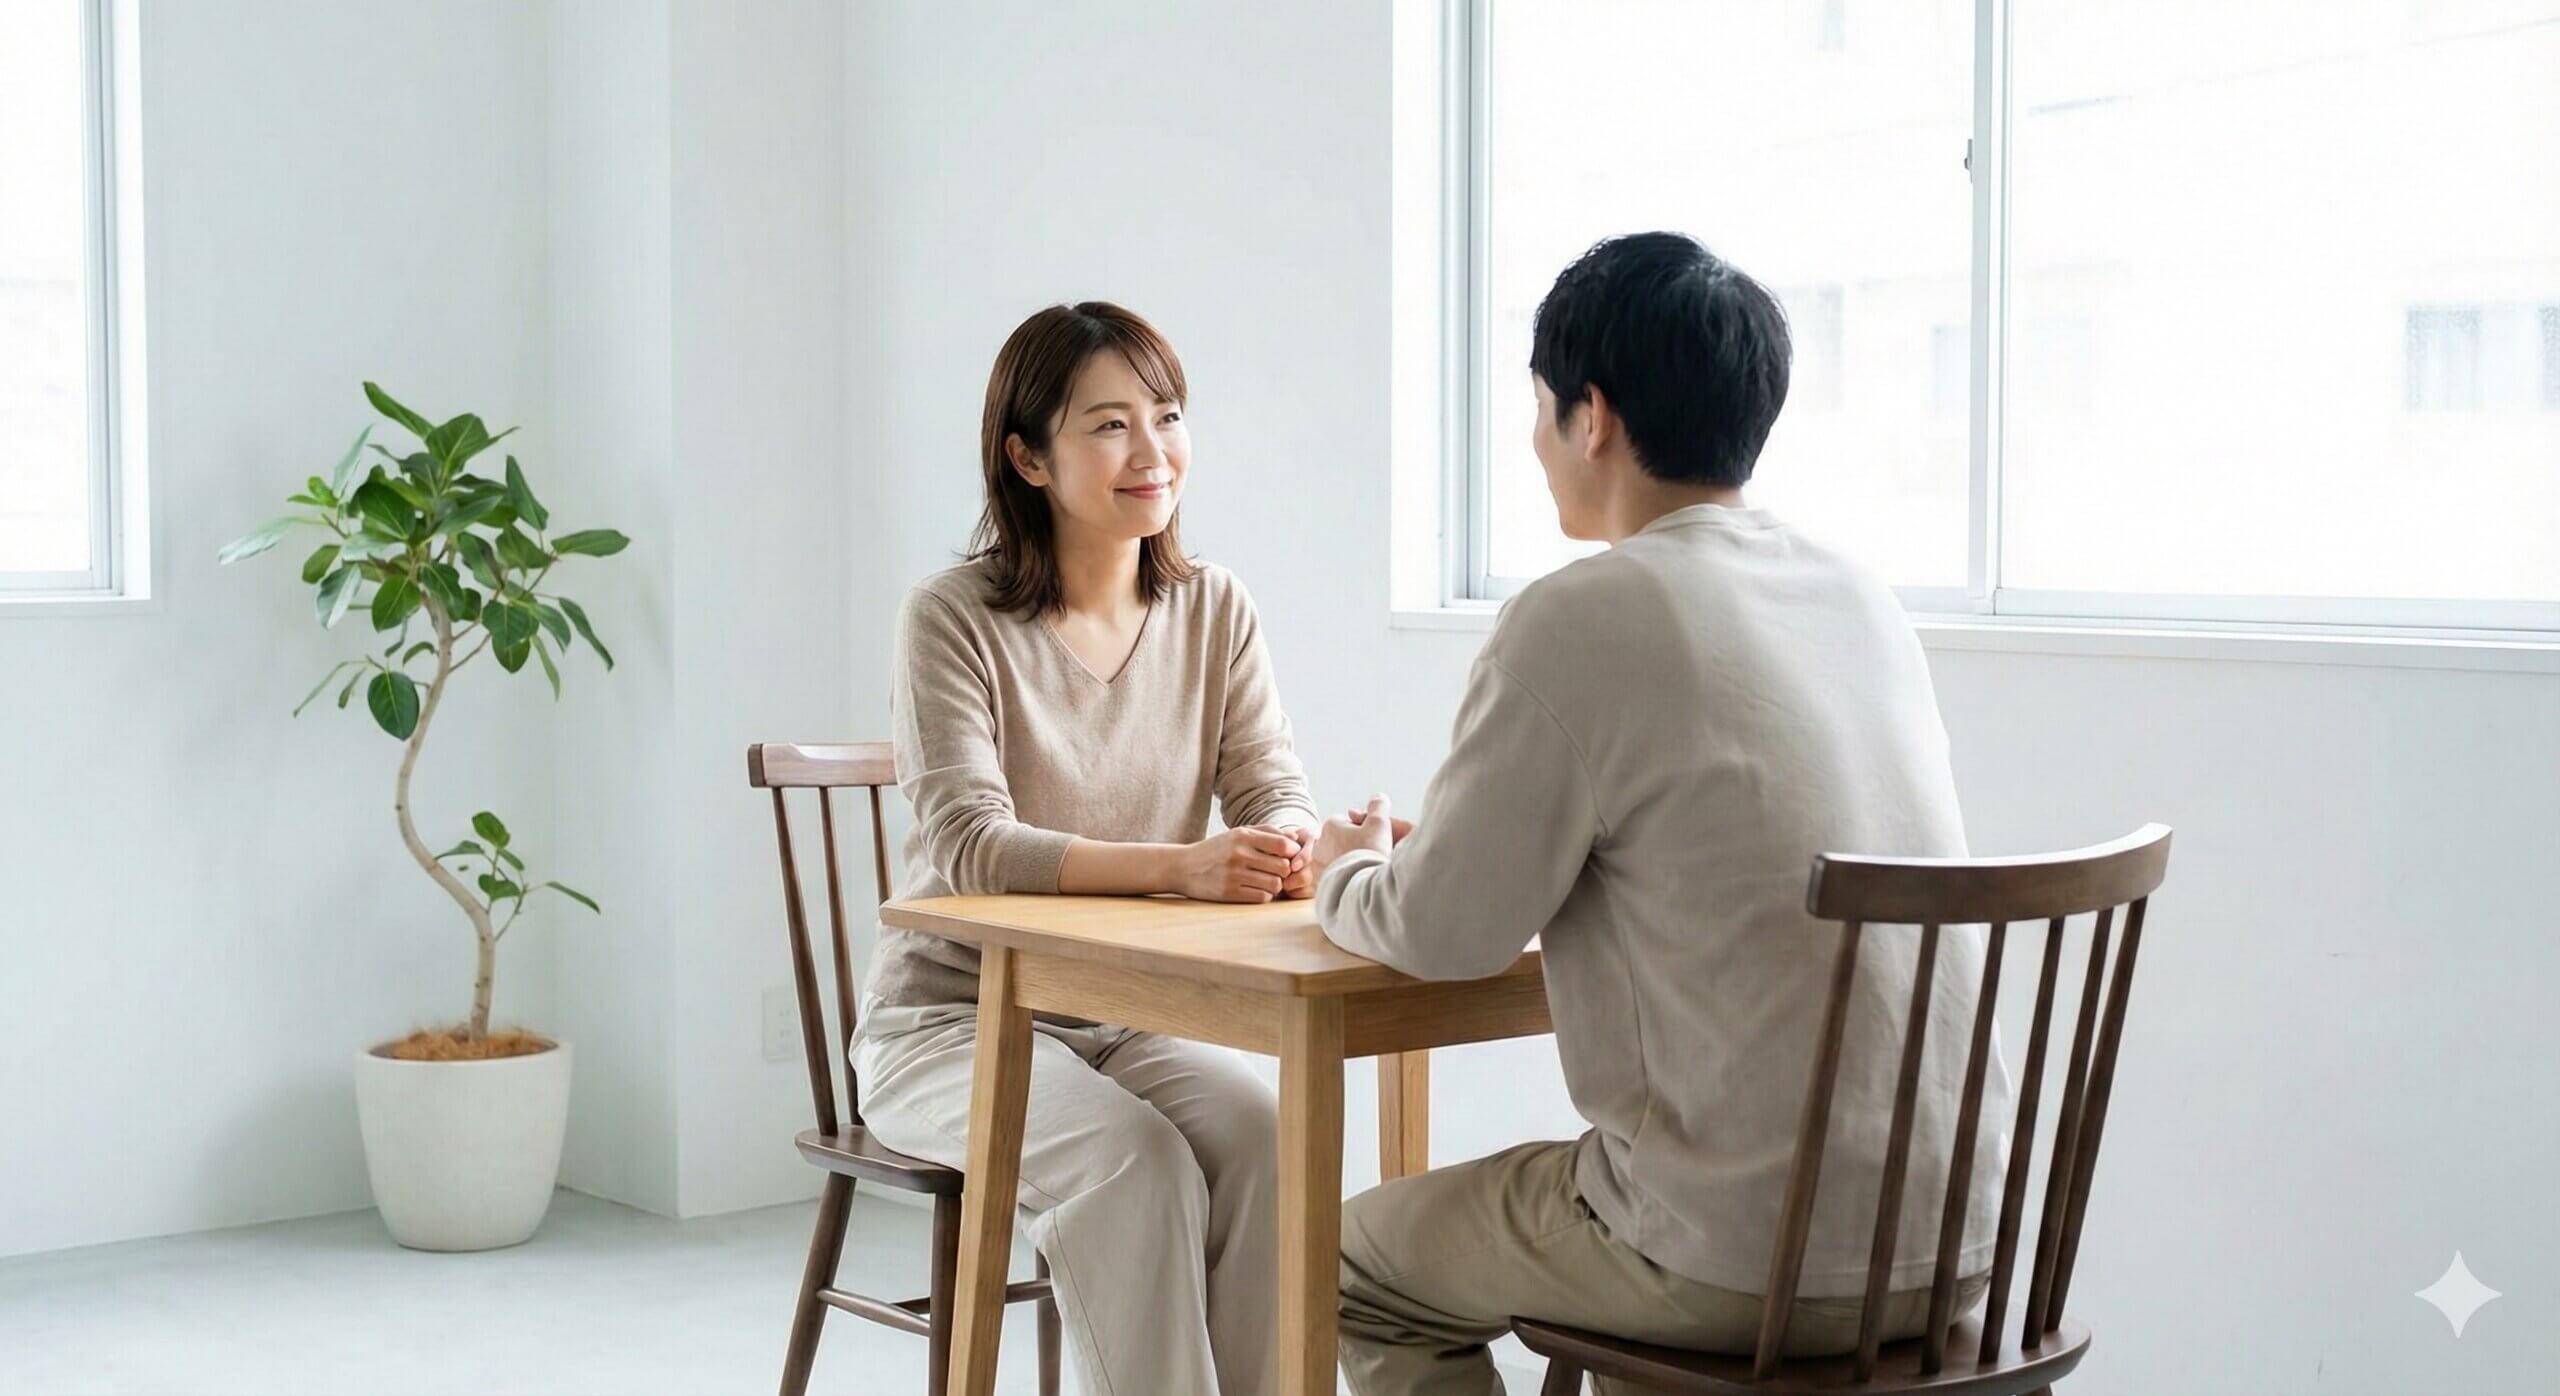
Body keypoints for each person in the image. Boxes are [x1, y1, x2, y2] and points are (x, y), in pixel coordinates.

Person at [1307, 232, 2011, 1396]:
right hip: (1955, 1244)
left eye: (1539, 408)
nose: (1535, 444)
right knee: (1655, 1216)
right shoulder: (1856, 596)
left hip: (1743, 1255)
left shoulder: (1579, 617)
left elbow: (1443, 935)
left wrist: (1348, 870)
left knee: (1356, 1262)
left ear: (1593, 415)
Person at [854, 301, 1318, 1396]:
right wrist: (1181, 864)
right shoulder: (951, 616)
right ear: (1026, 456)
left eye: (1167, 415)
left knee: (1267, 1136)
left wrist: (1304, 841)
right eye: (1109, 425)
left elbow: (1270, 787)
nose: (1151, 453)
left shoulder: (1215, 608)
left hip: (1125, 1011)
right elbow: (969, 842)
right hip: (949, 1023)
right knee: (1136, 1161)